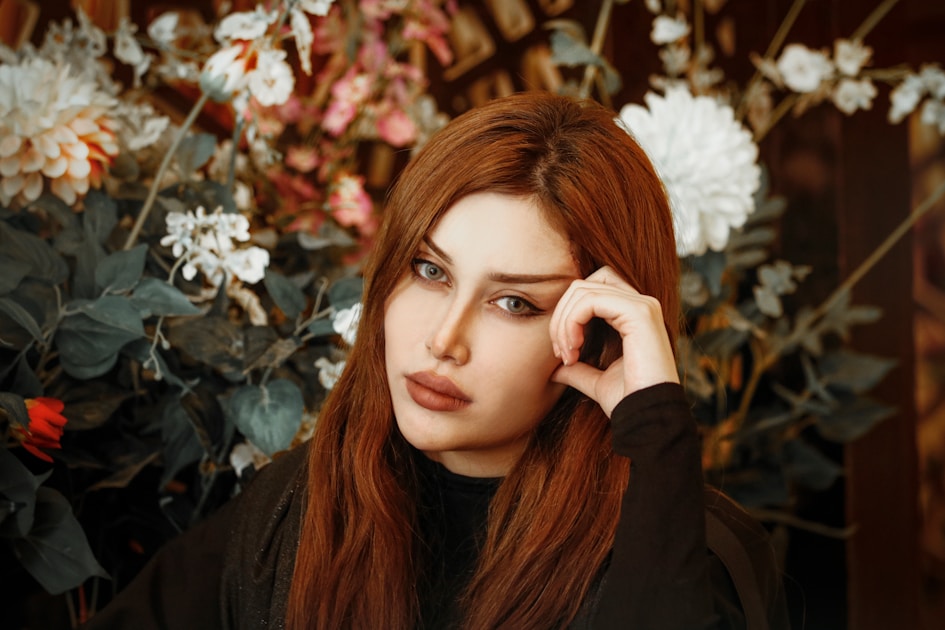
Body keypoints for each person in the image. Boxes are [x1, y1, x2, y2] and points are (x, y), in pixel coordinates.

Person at [85, 91, 788, 629]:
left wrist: (654, 430)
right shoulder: (299, 505)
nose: (444, 339)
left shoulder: (690, 551)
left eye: (513, 302)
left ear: (600, 337)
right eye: (429, 271)